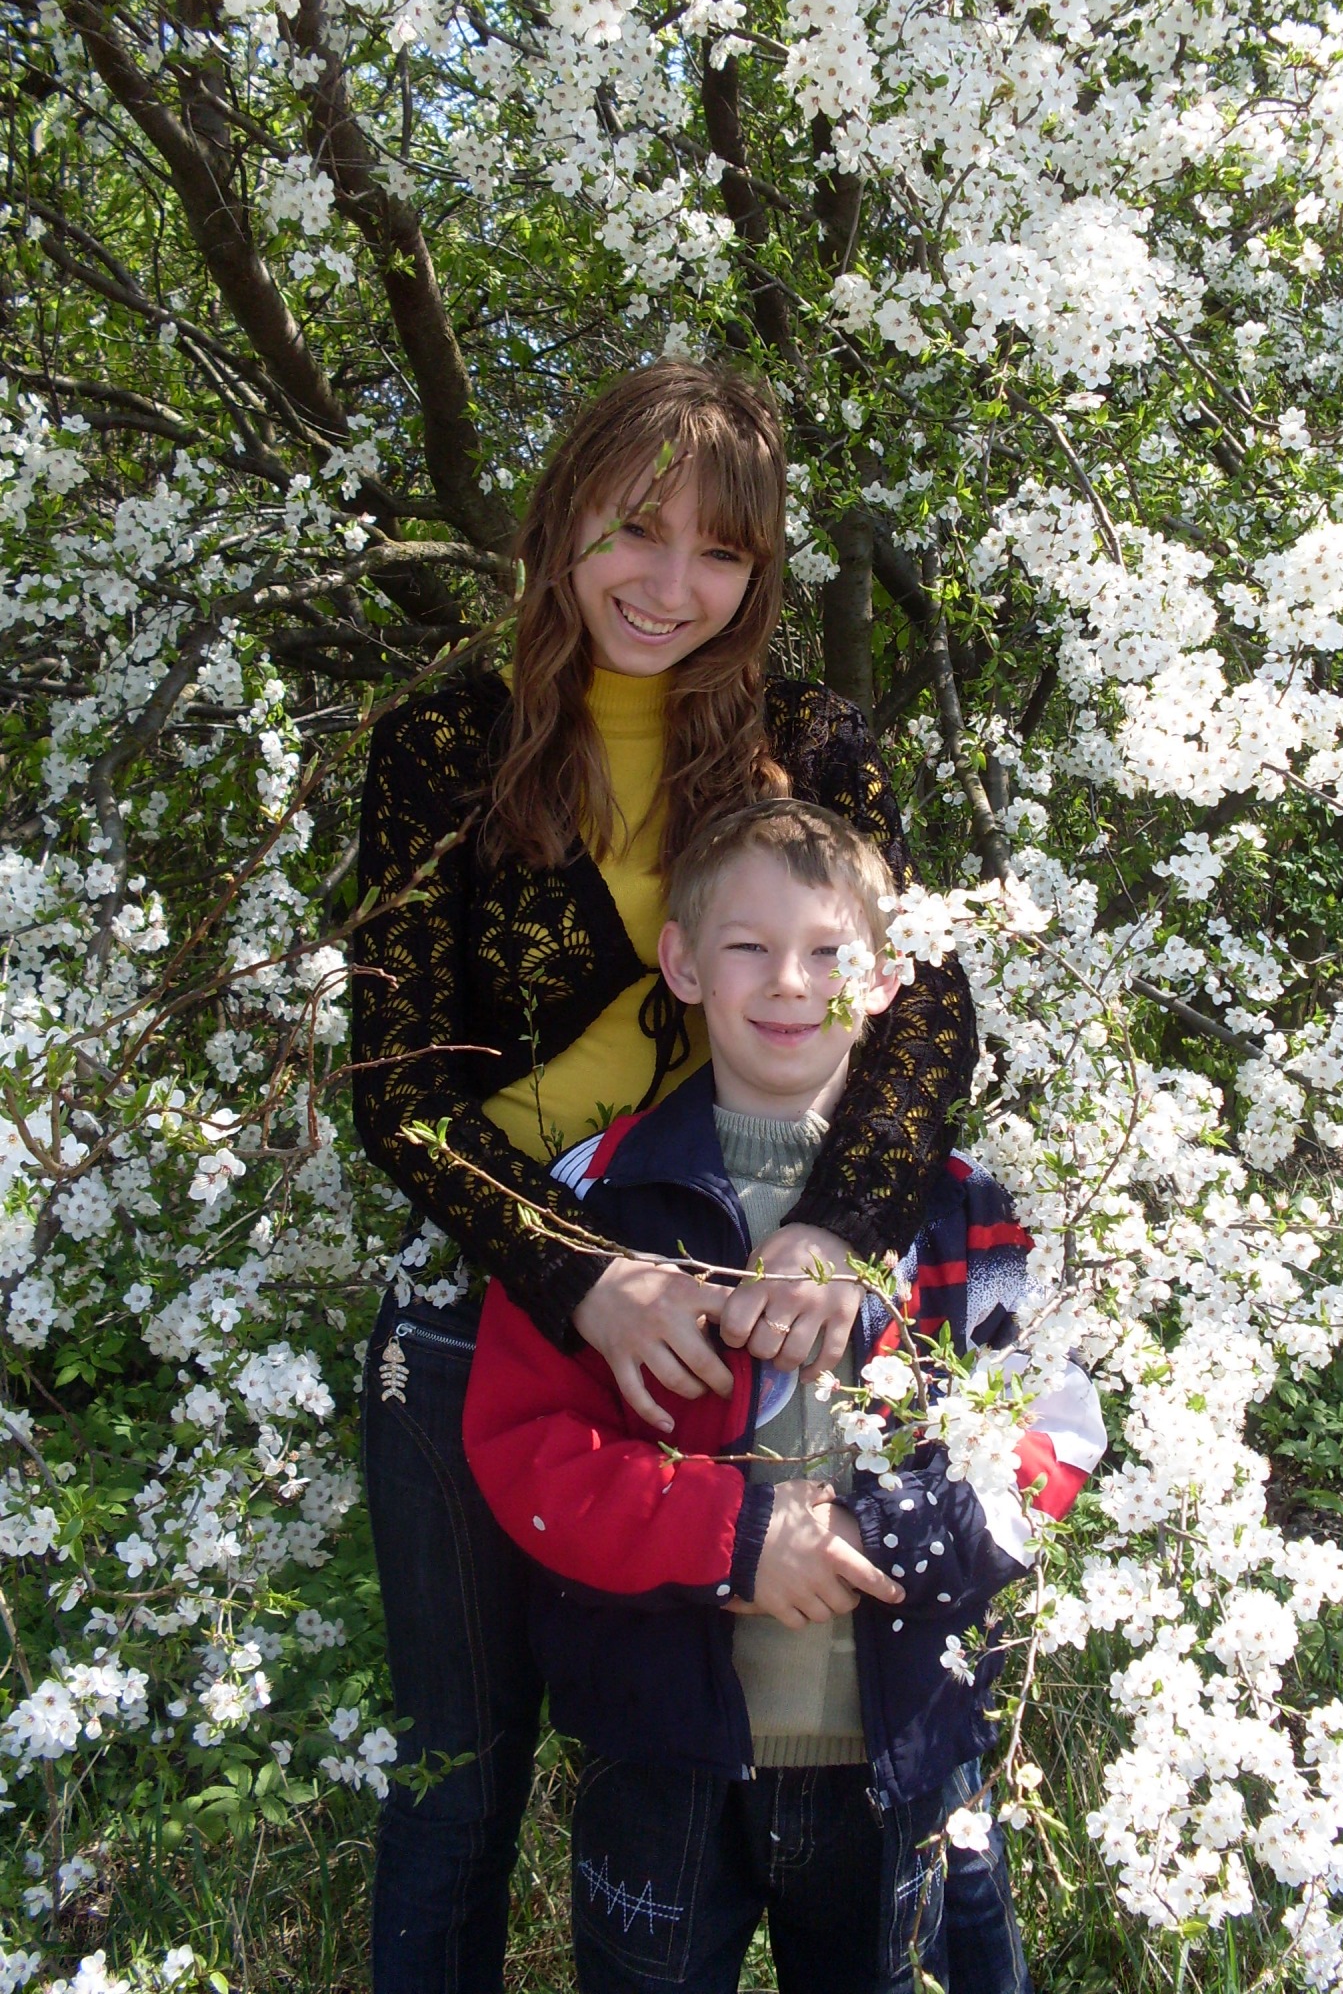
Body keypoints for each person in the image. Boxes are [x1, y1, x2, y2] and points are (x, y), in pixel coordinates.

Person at [350, 362, 980, 1993]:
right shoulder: (441, 747)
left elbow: (923, 1008)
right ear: (561, 521)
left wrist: (839, 1230)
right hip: (482, 1316)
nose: (669, 582)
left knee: (763, 1755)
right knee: (459, 1775)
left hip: (757, 1309)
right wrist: (583, 1273)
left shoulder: (807, 744)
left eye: (721, 551)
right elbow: (399, 1086)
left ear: (760, 575)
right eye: (636, 529)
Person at [462, 801, 1107, 1994]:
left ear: (888, 977)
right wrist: (737, 1538)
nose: (790, 982)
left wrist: (888, 1531)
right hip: (658, 1741)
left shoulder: (969, 1208)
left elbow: (1052, 1429)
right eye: (748, 947)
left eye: (827, 950)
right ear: (683, 962)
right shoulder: (594, 1203)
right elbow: (523, 1443)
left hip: (903, 1739)